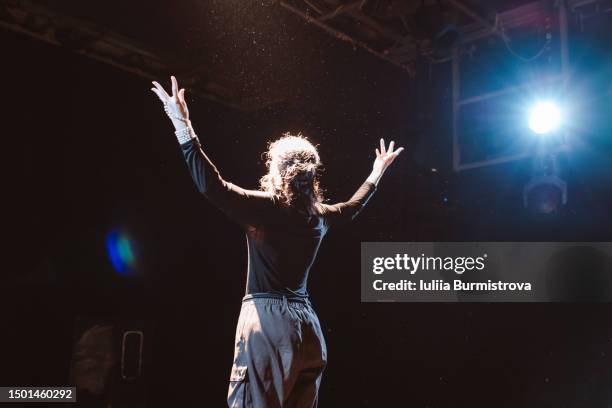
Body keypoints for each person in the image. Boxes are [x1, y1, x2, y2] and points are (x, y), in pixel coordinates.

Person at [151, 76, 403, 408]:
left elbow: (213, 186)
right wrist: (376, 172)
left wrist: (183, 126)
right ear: (311, 176)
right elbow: (353, 207)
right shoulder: (320, 216)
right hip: (308, 329)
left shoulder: (266, 210)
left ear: (277, 170)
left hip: (267, 323)